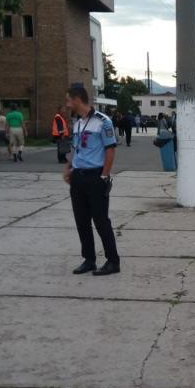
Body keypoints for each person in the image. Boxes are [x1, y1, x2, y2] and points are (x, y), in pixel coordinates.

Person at [64, 86, 121, 276]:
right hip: (78, 177)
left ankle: (113, 261)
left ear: (77, 99)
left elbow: (110, 149)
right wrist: (69, 168)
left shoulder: (103, 121)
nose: (67, 104)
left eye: (69, 100)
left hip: (95, 176)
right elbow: (77, 149)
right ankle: (89, 259)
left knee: (101, 221)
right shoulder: (78, 123)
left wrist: (104, 175)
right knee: (81, 221)